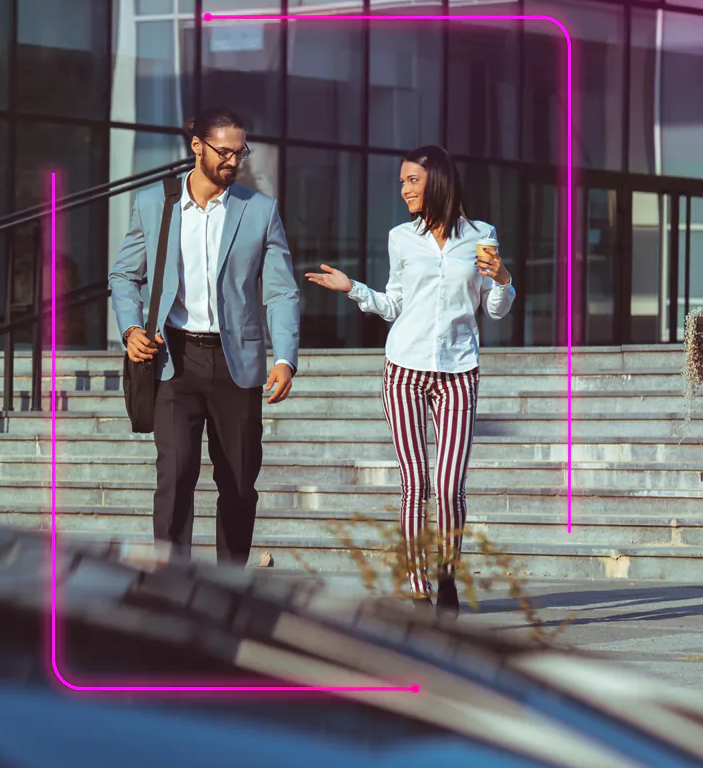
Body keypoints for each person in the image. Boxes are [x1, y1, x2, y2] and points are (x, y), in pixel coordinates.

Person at [305, 144, 515, 616]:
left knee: (449, 483)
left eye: (412, 181)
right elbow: (395, 303)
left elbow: (495, 310)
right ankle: (420, 588)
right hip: (403, 369)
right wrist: (354, 289)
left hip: (458, 371)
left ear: (437, 180)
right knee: (414, 481)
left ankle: (447, 575)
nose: (404, 190)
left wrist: (502, 276)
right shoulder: (401, 237)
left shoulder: (482, 236)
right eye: (401, 182)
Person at [110, 108, 300, 567]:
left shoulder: (260, 211)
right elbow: (123, 275)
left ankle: (228, 585)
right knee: (175, 474)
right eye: (225, 151)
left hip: (237, 364)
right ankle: (172, 587)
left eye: (241, 152)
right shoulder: (156, 203)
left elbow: (280, 291)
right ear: (198, 146)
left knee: (237, 482)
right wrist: (132, 328)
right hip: (174, 358)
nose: (234, 161)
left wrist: (285, 358)